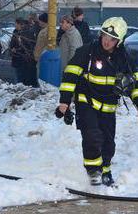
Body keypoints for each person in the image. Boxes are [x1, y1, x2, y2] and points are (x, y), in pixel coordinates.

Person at [57, 17, 138, 186]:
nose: (107, 42)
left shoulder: (124, 58)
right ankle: (93, 170)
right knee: (92, 137)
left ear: (120, 41)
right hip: (87, 102)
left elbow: (134, 83)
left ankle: (106, 169)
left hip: (108, 107)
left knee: (108, 142)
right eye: (105, 36)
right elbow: (70, 75)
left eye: (112, 39)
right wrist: (64, 102)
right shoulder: (87, 52)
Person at [10, 18, 38, 87]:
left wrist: (18, 49)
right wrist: (12, 49)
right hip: (17, 59)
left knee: (23, 81)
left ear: (20, 24)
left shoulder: (28, 33)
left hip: (25, 61)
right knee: (18, 80)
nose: (15, 25)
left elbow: (29, 47)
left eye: (16, 24)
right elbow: (11, 44)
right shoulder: (15, 32)